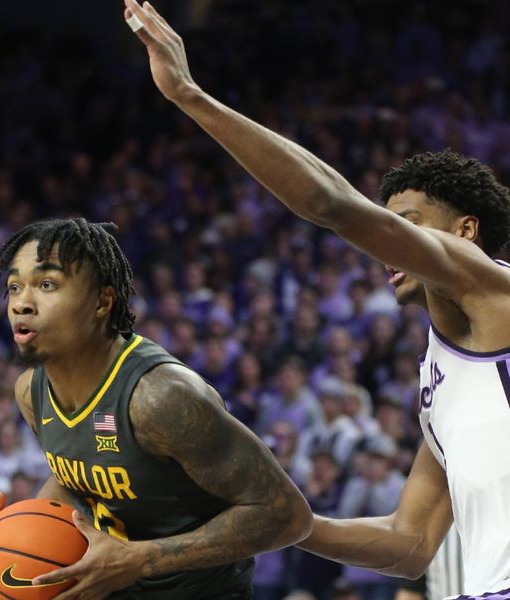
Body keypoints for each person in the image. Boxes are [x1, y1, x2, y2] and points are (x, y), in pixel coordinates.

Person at [123, 1, 510, 596]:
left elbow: (330, 204)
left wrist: (190, 96)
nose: (390, 242)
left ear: (465, 232)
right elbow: (410, 543)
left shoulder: (493, 285)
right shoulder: (438, 376)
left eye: (407, 223)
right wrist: (288, 522)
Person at [0, 218, 313, 599]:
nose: (22, 303)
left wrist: (140, 559)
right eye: (14, 286)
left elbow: (285, 515)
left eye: (47, 285)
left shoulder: (160, 397)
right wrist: (10, 531)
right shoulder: (31, 391)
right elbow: (80, 477)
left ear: (102, 301)